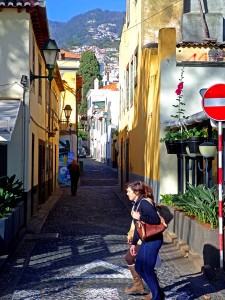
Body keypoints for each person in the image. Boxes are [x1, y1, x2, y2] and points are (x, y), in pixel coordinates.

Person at [126, 181, 165, 300]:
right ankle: (157, 292)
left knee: (147, 269)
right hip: (146, 239)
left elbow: (155, 220)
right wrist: (133, 244)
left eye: (129, 191)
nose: (127, 194)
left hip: (153, 240)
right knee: (139, 267)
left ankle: (157, 297)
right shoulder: (137, 203)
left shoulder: (144, 203)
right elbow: (139, 227)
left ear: (136, 192)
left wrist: (140, 217)